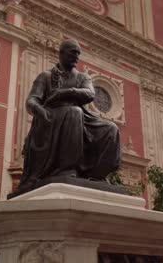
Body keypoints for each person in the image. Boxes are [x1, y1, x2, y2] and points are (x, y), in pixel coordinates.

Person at [19, 38, 121, 189]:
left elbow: (90, 93)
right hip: (52, 116)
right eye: (73, 52)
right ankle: (65, 169)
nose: (76, 57)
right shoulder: (45, 76)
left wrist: (65, 92)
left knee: (111, 128)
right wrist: (40, 110)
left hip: (82, 118)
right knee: (74, 112)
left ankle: (96, 174)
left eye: (78, 54)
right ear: (61, 53)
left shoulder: (82, 77)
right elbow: (32, 101)